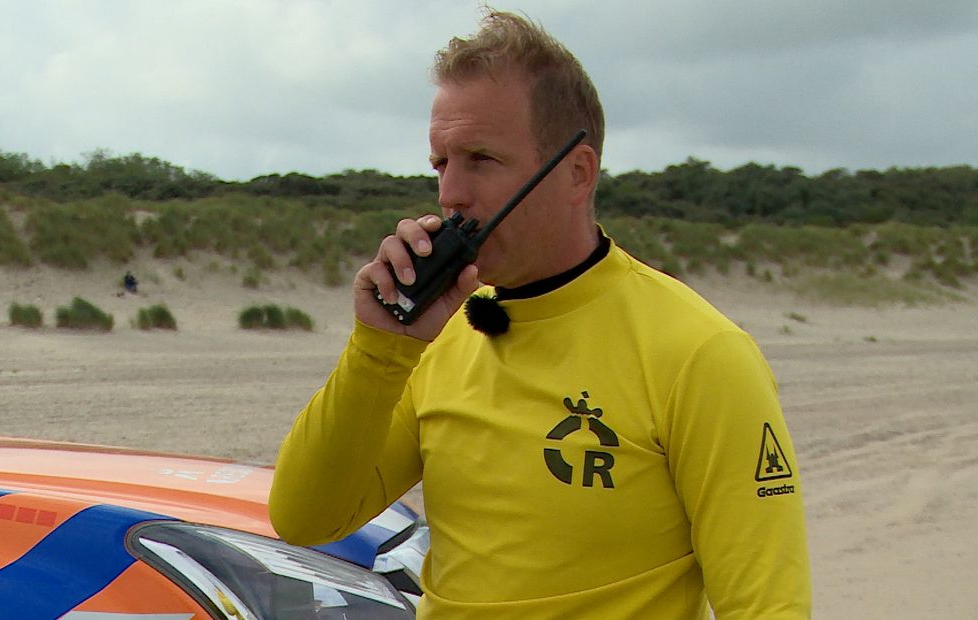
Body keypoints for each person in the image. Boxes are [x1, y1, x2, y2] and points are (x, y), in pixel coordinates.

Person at [270, 9, 811, 619]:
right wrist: (380, 346)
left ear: (577, 172)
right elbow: (304, 516)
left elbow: (768, 607)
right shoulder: (437, 337)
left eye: (481, 159)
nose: (450, 194)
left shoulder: (699, 353)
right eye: (441, 164)